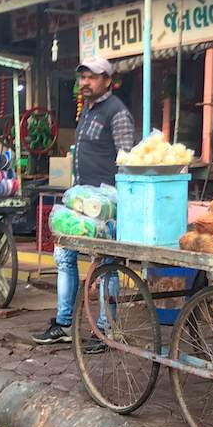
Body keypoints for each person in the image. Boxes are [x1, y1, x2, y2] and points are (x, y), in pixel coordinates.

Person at [32, 58, 136, 345]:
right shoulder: (88, 112)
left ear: (107, 80)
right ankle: (64, 323)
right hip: (82, 202)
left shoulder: (117, 113)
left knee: (105, 263)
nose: (85, 83)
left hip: (106, 203)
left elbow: (127, 160)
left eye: (92, 77)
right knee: (64, 256)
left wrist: (118, 203)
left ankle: (105, 329)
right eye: (82, 78)